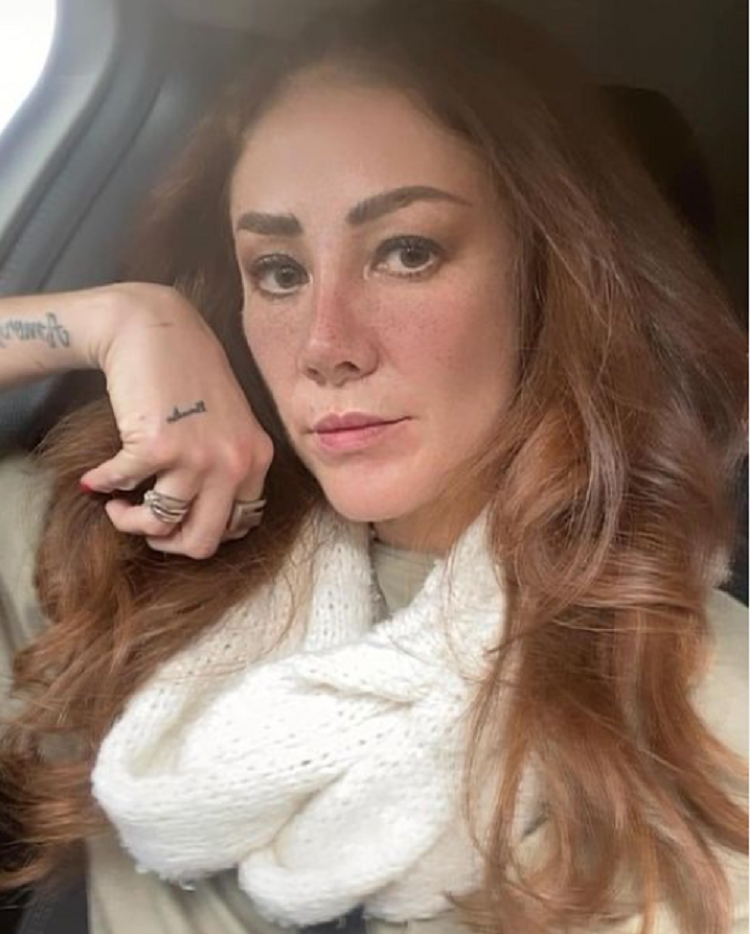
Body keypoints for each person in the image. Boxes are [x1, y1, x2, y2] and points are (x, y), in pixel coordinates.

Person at [0, 1, 747, 932]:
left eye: (406, 252)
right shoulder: (123, 552)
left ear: (549, 276)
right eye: (279, 272)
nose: (326, 346)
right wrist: (117, 321)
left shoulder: (693, 702)